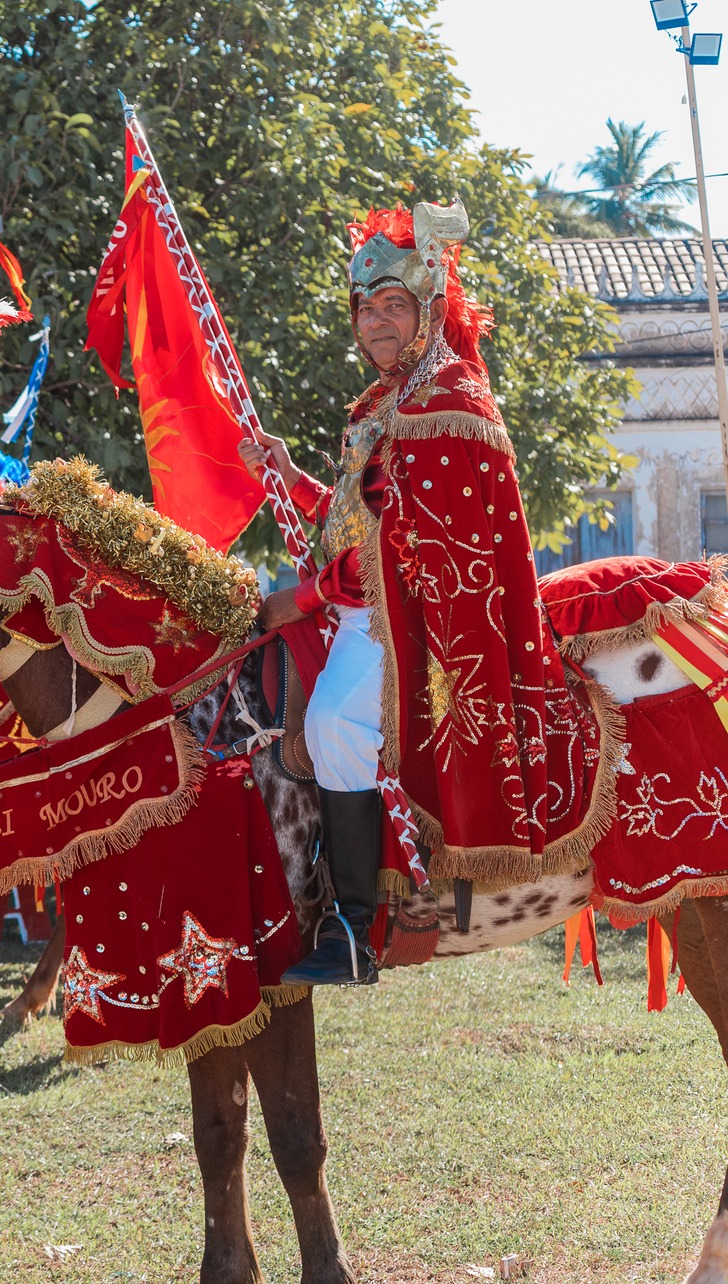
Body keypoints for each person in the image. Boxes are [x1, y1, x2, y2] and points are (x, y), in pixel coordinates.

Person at [243, 200, 604, 988]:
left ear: (429, 309)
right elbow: (354, 525)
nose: (374, 322)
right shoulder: (385, 405)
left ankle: (355, 928)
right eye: (365, 308)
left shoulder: (445, 401)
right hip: (359, 609)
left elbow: (406, 552)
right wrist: (286, 471)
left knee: (336, 721)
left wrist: (300, 600)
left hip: (408, 627)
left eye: (392, 306)